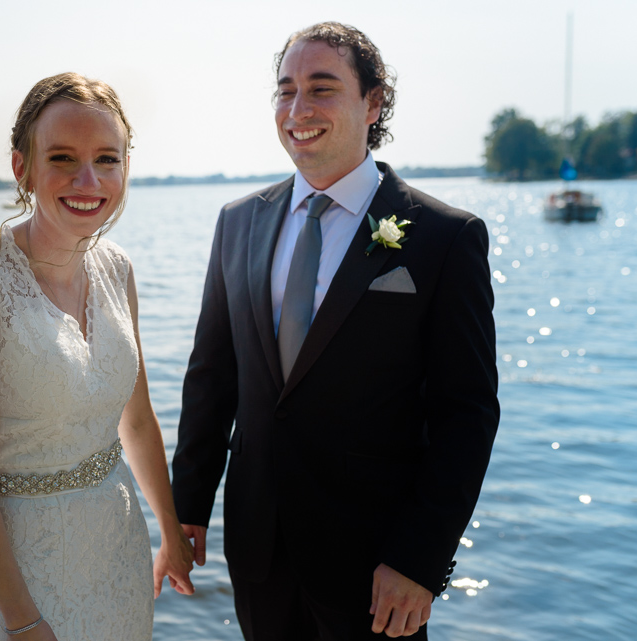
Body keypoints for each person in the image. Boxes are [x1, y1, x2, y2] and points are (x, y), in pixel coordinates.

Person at [171, 22, 500, 640]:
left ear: (374, 103)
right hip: (258, 550)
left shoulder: (443, 236)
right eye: (285, 90)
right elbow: (213, 375)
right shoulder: (238, 222)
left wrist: (419, 560)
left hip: (378, 565)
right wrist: (186, 504)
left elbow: (468, 414)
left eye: (322, 88)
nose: (298, 110)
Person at [0, 72, 194, 640]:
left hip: (118, 549)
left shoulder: (117, 267)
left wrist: (170, 533)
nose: (89, 180)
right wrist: (22, 620)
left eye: (107, 158)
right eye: (62, 158)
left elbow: (137, 420)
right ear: (21, 167)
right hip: (25, 570)